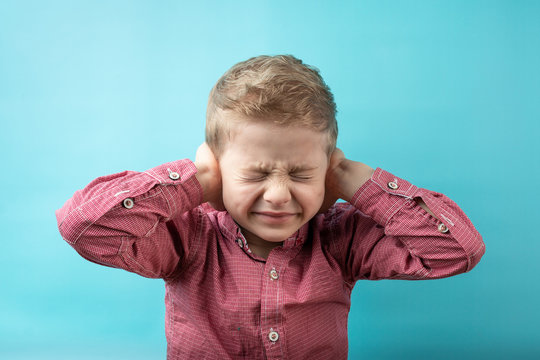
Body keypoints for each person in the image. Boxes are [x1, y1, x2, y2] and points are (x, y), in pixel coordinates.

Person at [55, 55, 485, 359]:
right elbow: (83, 227)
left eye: (301, 174)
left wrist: (357, 182)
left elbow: (457, 250)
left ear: (327, 172)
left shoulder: (341, 238)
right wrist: (193, 179)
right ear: (218, 170)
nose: (279, 194)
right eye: (256, 174)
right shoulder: (187, 236)